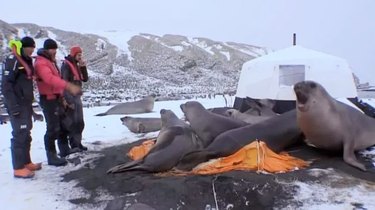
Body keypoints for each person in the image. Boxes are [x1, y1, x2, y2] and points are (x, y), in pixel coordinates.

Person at [34, 38, 81, 166]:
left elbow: (56, 81)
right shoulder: (41, 63)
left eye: (55, 49)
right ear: (46, 49)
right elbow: (49, 79)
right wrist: (68, 86)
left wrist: (62, 98)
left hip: (57, 98)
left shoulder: (51, 61)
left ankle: (64, 149)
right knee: (53, 128)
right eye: (52, 49)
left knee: (63, 125)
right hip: (48, 99)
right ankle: (51, 156)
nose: (54, 51)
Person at [1, 37, 41, 178]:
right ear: (25, 47)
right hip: (17, 104)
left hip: (26, 103)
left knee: (26, 133)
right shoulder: (13, 60)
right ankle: (18, 168)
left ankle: (26, 162)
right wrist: (13, 106)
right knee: (19, 134)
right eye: (31, 47)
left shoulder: (26, 60)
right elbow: (6, 86)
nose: (33, 50)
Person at [60, 46, 89, 151]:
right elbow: (64, 83)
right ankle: (74, 145)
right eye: (78, 55)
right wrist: (68, 100)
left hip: (77, 97)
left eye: (81, 55)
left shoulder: (76, 65)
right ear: (74, 54)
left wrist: (83, 67)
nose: (80, 57)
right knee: (73, 122)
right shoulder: (66, 66)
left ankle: (78, 143)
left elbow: (85, 79)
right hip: (70, 97)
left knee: (80, 122)